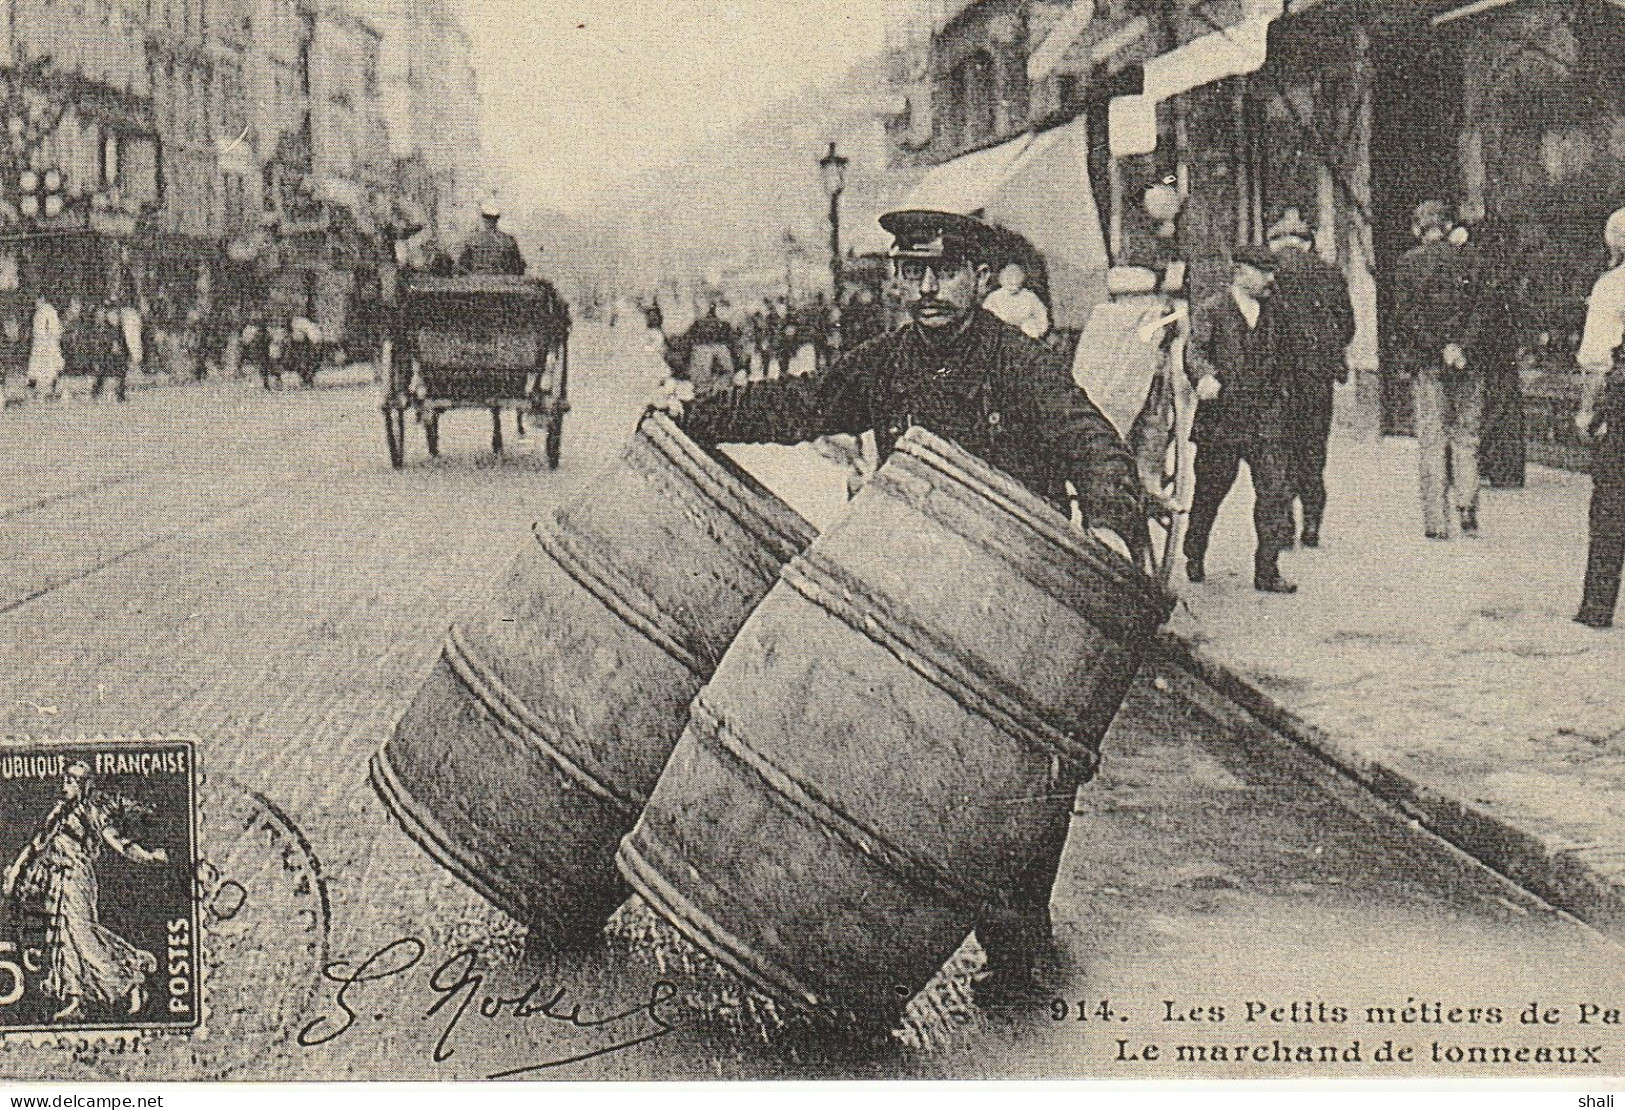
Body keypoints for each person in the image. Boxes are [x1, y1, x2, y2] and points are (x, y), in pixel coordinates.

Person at [653, 209, 1147, 996]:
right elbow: (801, 405)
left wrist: (1113, 524)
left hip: (1006, 601)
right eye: (910, 274)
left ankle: (1018, 936)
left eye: (942, 274)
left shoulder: (1019, 364)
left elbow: (1090, 440)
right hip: (910, 589)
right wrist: (696, 418)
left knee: (1016, 777)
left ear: (981, 281)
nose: (925, 290)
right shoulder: (885, 362)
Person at [3, 762, 169, 1022]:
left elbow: (117, 841)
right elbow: (36, 845)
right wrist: (15, 874)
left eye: (73, 780)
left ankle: (131, 980)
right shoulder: (58, 812)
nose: (66, 784)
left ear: (84, 785)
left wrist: (147, 856)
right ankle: (75, 998)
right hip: (55, 880)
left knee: (83, 934)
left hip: (78, 879)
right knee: (63, 938)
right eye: (66, 779)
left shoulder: (93, 811)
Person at [1181, 246, 1298, 593]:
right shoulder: (1212, 310)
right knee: (1210, 491)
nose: (1271, 279)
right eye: (1264, 272)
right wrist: (1204, 377)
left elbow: (1288, 358)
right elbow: (1195, 350)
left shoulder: (1275, 312)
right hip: (1223, 420)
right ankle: (1194, 550)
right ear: (1242, 272)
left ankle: (1268, 570)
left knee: (1274, 493)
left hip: (1265, 419)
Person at [1392, 199, 1489, 539]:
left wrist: (1438, 347)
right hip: (1468, 361)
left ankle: (1436, 520)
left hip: (1428, 363)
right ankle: (1467, 508)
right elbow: (1481, 310)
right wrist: (1460, 346)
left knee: (1432, 440)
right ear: (1449, 226)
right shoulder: (1472, 260)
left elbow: (1405, 317)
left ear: (1418, 229)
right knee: (1467, 438)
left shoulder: (1407, 264)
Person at [1266, 208, 1355, 547]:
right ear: (1307, 242)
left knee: (1280, 448)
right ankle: (1312, 524)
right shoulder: (1330, 272)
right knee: (1313, 449)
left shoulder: (1270, 272)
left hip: (1278, 377)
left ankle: (1284, 525)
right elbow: (1347, 325)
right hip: (1317, 376)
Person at [1572, 208, 1625, 630]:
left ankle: (1597, 605)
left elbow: (1596, 360)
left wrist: (1588, 409)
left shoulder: (1611, 287)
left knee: (1611, 502)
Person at [983, 261, 1050, 340]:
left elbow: (1042, 317)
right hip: (1000, 337)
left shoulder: (1030, 297)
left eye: (1017, 276)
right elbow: (985, 318)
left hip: (1025, 338)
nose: (1013, 280)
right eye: (1009, 276)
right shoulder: (994, 297)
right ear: (1002, 277)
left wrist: (1033, 328)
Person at [458, 200, 526, 277]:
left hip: (478, 279)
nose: (490, 221)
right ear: (497, 219)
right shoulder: (509, 240)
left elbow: (463, 266)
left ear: (483, 219)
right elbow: (517, 267)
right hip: (503, 279)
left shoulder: (472, 240)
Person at [87, 300, 129, 402]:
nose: (100, 316)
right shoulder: (93, 330)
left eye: (102, 313)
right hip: (102, 361)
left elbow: (119, 348)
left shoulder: (113, 330)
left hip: (111, 362)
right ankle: (100, 392)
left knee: (114, 363)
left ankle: (116, 392)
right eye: (98, 314)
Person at [26, 293, 63, 399]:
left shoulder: (45, 311)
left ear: (42, 299)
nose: (35, 303)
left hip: (45, 345)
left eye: (36, 301)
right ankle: (44, 392)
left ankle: (49, 392)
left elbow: (51, 331)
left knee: (46, 369)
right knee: (42, 369)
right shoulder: (45, 311)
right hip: (45, 344)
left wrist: (48, 343)